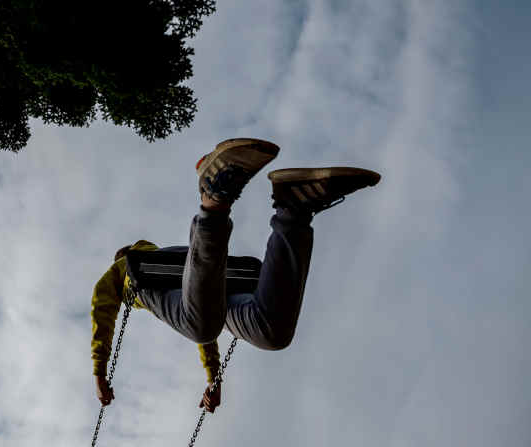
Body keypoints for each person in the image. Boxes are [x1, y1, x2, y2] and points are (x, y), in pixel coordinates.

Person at [90, 138, 380, 410]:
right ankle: (294, 210)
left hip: (154, 285)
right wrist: (213, 377)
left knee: (202, 325)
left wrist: (100, 374)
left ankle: (213, 197)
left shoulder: (127, 267)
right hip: (220, 286)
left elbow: (101, 309)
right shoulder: (179, 257)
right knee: (270, 333)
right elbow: (204, 317)